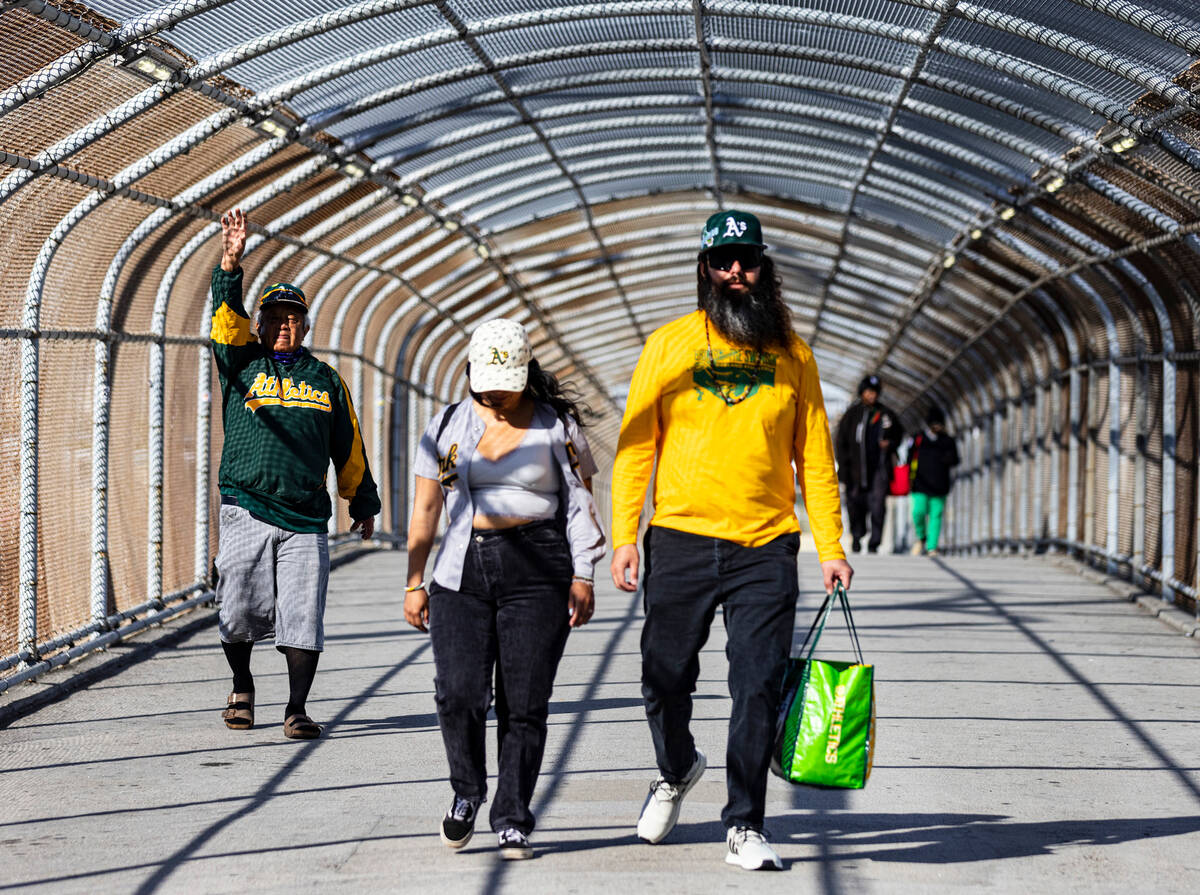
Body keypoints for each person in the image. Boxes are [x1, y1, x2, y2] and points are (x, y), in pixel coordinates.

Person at [609, 209, 853, 871]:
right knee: (663, 676)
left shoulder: (792, 356)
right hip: (681, 537)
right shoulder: (668, 345)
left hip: (765, 545)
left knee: (756, 685)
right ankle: (678, 766)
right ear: (705, 270)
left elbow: (817, 459)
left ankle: (745, 822)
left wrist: (830, 546)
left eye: (746, 260)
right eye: (723, 261)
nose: (735, 272)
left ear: (763, 268)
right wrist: (625, 535)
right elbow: (636, 447)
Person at [404, 319, 606, 861]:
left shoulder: (555, 427)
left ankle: (513, 818)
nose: (494, 394)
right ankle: (467, 790)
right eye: (485, 382)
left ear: (525, 375)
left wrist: (583, 574)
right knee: (460, 692)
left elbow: (582, 502)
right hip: (459, 570)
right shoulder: (446, 425)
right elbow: (426, 511)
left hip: (539, 568)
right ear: (469, 373)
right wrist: (414, 582)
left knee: (525, 702)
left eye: (506, 382)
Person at [210, 208, 379, 740]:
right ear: (259, 324)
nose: (284, 325)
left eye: (293, 318)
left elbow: (348, 445)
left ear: (305, 326)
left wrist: (363, 501)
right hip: (247, 505)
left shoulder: (325, 379)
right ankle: (242, 684)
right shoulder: (241, 363)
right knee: (235, 606)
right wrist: (230, 263)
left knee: (303, 615)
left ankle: (297, 709)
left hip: (306, 515)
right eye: (274, 317)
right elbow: (224, 316)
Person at [835, 374, 902, 554]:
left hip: (879, 470)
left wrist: (890, 444)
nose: (871, 396)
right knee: (855, 505)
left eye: (874, 392)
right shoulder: (852, 415)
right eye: (868, 392)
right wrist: (843, 469)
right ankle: (857, 536)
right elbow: (841, 442)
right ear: (862, 392)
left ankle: (874, 542)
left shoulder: (886, 414)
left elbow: (898, 434)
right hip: (855, 472)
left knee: (878, 506)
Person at [909, 405, 960, 556]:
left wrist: (945, 459)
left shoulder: (948, 441)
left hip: (940, 486)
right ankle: (922, 537)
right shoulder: (918, 439)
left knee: (936, 516)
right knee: (918, 512)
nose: (937, 427)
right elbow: (909, 458)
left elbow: (955, 460)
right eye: (934, 423)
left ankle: (932, 547)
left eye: (939, 424)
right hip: (919, 484)